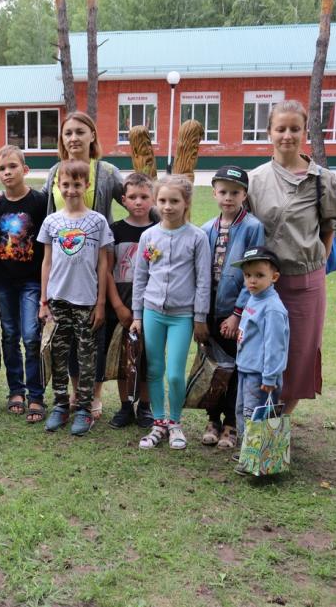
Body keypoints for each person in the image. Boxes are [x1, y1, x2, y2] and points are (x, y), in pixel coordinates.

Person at [247, 100, 336, 415]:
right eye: (281, 128)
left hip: (305, 283)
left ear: (305, 131)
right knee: (260, 351)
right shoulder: (255, 180)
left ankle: (280, 421)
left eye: (295, 128)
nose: (287, 135)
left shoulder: (322, 180)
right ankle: (254, 415)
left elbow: (329, 228)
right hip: (263, 284)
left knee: (299, 353)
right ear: (269, 132)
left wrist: (317, 265)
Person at [40, 111, 127, 408]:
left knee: (93, 330)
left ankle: (95, 396)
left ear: (92, 135)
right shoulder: (55, 171)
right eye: (68, 133)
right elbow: (40, 203)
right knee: (67, 334)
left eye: (80, 131)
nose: (74, 138)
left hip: (97, 262)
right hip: (64, 266)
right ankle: (76, 392)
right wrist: (2, 197)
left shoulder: (107, 171)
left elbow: (133, 198)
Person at [131, 175, 211, 451]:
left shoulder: (197, 237)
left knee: (175, 374)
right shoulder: (149, 236)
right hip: (152, 312)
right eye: (162, 200)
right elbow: (140, 277)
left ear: (186, 202)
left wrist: (200, 317)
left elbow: (203, 281)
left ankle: (175, 422)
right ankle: (159, 423)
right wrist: (137, 315)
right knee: (154, 369)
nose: (167, 206)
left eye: (174, 201)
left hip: (182, 316)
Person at [38, 160, 113, 436]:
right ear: (58, 186)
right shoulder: (51, 221)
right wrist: (43, 301)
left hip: (87, 301)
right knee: (59, 355)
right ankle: (60, 405)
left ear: (87, 185)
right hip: (57, 300)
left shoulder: (98, 221)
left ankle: (83, 408)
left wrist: (101, 303)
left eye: (77, 184)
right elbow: (46, 262)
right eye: (66, 185)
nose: (71, 190)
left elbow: (103, 265)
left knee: (86, 357)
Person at [199, 166, 265, 450]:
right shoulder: (205, 229)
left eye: (235, 192)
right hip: (210, 312)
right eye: (223, 191)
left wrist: (237, 314)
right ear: (214, 193)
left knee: (237, 368)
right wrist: (199, 316)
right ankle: (213, 419)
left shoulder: (252, 227)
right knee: (214, 368)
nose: (228, 197)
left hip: (236, 313)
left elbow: (253, 272)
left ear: (244, 195)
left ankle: (231, 424)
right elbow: (200, 275)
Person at [0, 145, 47, 423]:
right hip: (4, 282)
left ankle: (36, 395)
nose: (7, 172)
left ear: (25, 169)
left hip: (32, 281)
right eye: (2, 168)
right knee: (9, 335)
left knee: (31, 336)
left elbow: (47, 247)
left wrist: (46, 290)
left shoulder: (40, 202)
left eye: (13, 166)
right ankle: (16, 391)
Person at [99, 173, 157, 430]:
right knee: (123, 359)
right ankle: (125, 406)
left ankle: (145, 406)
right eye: (133, 197)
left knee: (147, 359)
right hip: (121, 307)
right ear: (123, 200)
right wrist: (118, 306)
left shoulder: (158, 231)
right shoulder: (115, 231)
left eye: (144, 197)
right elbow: (108, 271)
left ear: (153, 199)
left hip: (150, 308)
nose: (138, 202)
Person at [230, 246, 289, 475]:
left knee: (253, 414)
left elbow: (275, 345)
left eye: (259, 275)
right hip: (246, 367)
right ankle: (248, 450)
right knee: (242, 411)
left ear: (274, 277)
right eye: (247, 275)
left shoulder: (273, 308)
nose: (252, 281)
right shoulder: (254, 298)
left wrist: (270, 377)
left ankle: (253, 459)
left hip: (260, 375)